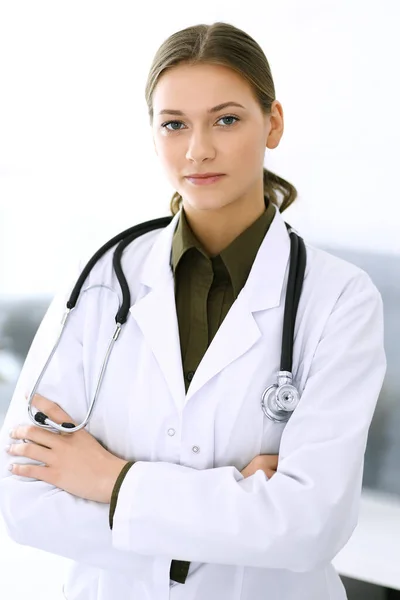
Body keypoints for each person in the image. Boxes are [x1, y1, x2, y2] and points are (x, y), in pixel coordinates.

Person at [0, 21, 386, 600]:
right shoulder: (100, 282)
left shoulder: (340, 299)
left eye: (226, 120)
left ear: (272, 123)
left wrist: (112, 479)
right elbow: (24, 498)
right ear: (152, 134)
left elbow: (310, 524)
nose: (197, 149)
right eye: (174, 124)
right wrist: (233, 518)